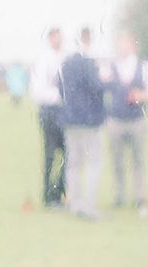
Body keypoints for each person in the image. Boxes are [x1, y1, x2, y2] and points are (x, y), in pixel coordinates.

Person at [105, 30, 148, 217]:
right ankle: (119, 195)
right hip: (115, 120)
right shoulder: (110, 67)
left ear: (133, 46)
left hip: (137, 120)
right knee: (117, 161)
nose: (122, 47)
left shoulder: (145, 67)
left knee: (137, 161)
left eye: (126, 44)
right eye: (120, 44)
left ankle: (139, 196)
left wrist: (141, 95)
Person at [60, 27, 105, 220]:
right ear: (88, 40)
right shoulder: (89, 63)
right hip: (89, 121)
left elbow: (58, 86)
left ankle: (75, 203)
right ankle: (88, 204)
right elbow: (97, 88)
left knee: (73, 163)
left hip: (70, 119)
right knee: (94, 162)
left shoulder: (66, 63)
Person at [30, 27, 65, 209]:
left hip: (63, 112)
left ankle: (59, 192)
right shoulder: (44, 60)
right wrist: (60, 96)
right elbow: (39, 91)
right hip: (49, 111)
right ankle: (49, 196)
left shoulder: (63, 58)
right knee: (50, 155)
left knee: (67, 154)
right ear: (50, 39)